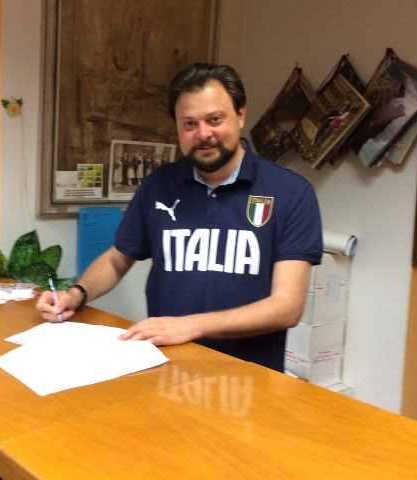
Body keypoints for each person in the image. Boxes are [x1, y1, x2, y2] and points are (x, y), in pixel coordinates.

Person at [37, 63, 323, 372]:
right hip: (165, 368)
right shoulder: (159, 185)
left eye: (215, 119)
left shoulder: (291, 193)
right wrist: (76, 293)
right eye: (189, 124)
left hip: (249, 377)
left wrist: (190, 326)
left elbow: (286, 307)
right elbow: (118, 258)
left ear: (240, 115)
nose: (203, 134)